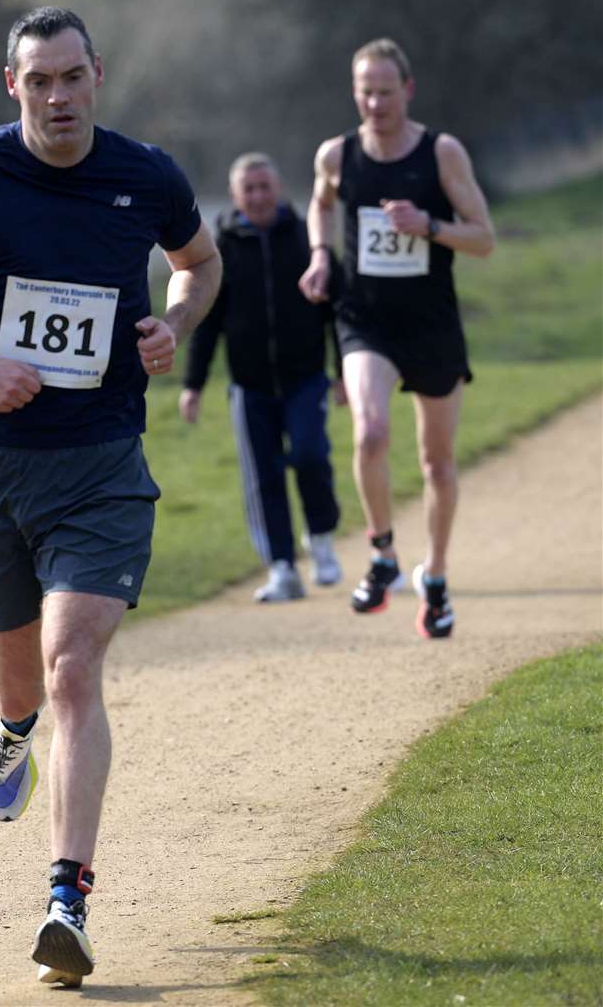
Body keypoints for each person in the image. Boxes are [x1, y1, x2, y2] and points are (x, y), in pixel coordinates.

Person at [0, 6, 219, 987]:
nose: (57, 97)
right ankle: (9, 730)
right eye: (38, 81)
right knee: (20, 692)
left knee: (72, 672)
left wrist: (172, 326)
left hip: (101, 464)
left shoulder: (143, 176)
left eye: (72, 77)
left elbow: (198, 262)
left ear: (96, 76)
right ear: (9, 86)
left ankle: (65, 897)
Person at [298, 38, 495, 638]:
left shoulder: (442, 153)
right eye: (366, 91)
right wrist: (319, 256)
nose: (376, 102)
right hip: (365, 319)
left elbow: (483, 237)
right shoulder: (337, 154)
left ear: (407, 90)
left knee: (436, 464)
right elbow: (320, 203)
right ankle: (383, 554)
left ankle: (433, 577)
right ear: (354, 92)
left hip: (431, 323)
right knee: (371, 430)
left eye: (386, 91)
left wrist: (428, 225)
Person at [180, 152, 343, 602]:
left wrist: (343, 371)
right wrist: (193, 385)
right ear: (235, 196)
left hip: (306, 377)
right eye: (247, 189)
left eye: (264, 187)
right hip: (249, 386)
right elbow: (208, 322)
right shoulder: (223, 247)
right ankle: (282, 568)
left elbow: (336, 309)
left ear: (279, 189)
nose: (257, 196)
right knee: (262, 476)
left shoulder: (307, 239)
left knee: (311, 455)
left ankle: (322, 539)